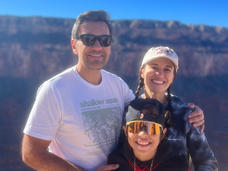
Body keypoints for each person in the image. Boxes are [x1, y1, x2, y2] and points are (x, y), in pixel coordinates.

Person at [21, 10, 205, 171]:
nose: (97, 47)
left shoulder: (116, 85)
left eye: (104, 40)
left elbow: (146, 106)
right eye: (88, 39)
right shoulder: (55, 90)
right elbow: (31, 154)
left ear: (110, 45)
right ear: (74, 45)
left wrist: (186, 110)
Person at [108, 46, 218, 170]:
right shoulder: (128, 111)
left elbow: (207, 162)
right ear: (142, 71)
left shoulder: (186, 115)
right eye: (154, 67)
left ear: (173, 76)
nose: (160, 74)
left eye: (167, 69)